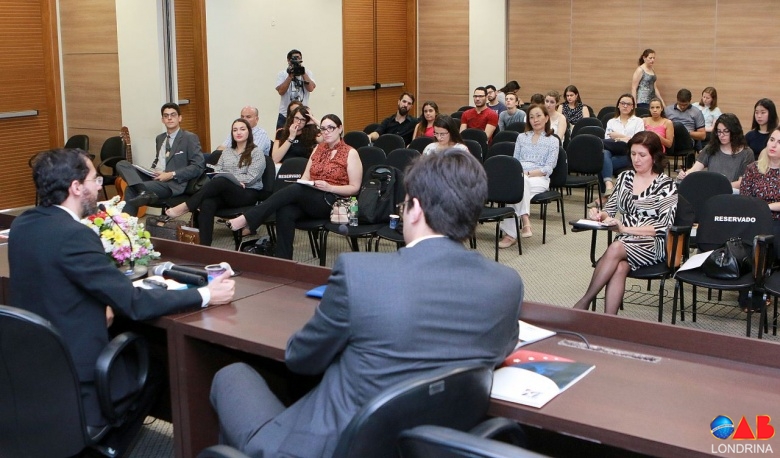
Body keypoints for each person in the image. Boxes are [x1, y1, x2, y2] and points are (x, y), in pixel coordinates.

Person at [209, 149, 524, 458]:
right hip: (415, 444)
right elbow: (502, 348)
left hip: (325, 447)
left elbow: (300, 358)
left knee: (231, 375)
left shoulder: (360, 274)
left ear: (414, 209)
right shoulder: (506, 284)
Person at [9, 148, 235, 455]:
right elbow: (135, 303)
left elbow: (52, 280)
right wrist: (205, 294)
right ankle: (105, 449)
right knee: (155, 369)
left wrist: (97, 301)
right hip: (78, 374)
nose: (99, 186)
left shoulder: (23, 225)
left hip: (32, 367)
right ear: (76, 187)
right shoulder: (74, 235)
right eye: (94, 179)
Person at [226, 114, 362, 259]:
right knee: (285, 210)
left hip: (334, 202)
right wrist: (304, 183)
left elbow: (355, 188)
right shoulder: (318, 149)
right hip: (312, 197)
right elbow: (306, 176)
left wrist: (330, 187)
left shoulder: (350, 153)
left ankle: (249, 218)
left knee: (297, 189)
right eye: (323, 129)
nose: (326, 132)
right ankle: (283, 261)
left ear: (340, 129)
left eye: (331, 128)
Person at [573, 132, 677, 314]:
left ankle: (584, 302)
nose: (636, 159)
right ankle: (609, 321)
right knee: (620, 267)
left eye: (642, 155)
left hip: (653, 244)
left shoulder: (666, 185)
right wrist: (600, 215)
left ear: (654, 157)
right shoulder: (624, 178)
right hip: (625, 241)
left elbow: (664, 227)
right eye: (633, 154)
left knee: (615, 247)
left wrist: (624, 228)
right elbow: (610, 209)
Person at [165, 118, 269, 245]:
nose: (238, 132)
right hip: (226, 192)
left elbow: (252, 177)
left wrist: (233, 179)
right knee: (207, 203)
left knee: (222, 181)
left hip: (248, 192)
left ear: (249, 132)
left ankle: (187, 206)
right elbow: (218, 170)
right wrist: (228, 178)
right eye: (235, 130)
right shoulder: (227, 152)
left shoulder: (256, 152)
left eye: (242, 129)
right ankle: (204, 246)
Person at [116, 102, 206, 216]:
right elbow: (158, 160)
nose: (169, 118)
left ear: (180, 118)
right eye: (166, 116)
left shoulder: (189, 138)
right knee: (121, 164)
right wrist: (151, 170)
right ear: (162, 120)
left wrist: (171, 174)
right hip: (155, 176)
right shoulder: (160, 138)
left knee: (131, 189)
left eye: (173, 115)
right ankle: (142, 189)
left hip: (171, 183)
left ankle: (125, 224)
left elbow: (198, 166)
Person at [498, 104, 559, 247]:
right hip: (521, 177)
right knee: (519, 185)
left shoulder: (553, 140)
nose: (535, 120)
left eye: (538, 116)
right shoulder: (521, 137)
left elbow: (548, 167)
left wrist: (528, 173)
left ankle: (510, 235)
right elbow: (515, 160)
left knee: (515, 189)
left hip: (540, 178)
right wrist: (521, 174)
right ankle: (525, 220)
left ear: (546, 118)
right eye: (531, 117)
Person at [677, 113, 754, 191]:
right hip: (711, 191)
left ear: (734, 132)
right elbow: (695, 169)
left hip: (731, 193)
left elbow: (742, 182)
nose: (721, 135)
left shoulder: (747, 153)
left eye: (726, 131)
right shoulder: (711, 148)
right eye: (719, 132)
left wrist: (720, 186)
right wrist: (685, 174)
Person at [741, 126, 780, 255]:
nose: (773, 145)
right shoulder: (753, 169)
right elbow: (745, 199)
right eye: (772, 139)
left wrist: (767, 207)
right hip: (754, 217)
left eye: (779, 142)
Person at [597, 94, 645, 199]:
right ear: (618, 105)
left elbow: (638, 141)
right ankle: (609, 185)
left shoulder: (638, 121)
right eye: (623, 103)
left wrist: (619, 136)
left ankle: (604, 198)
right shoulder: (611, 121)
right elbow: (608, 142)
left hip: (630, 154)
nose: (625, 106)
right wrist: (626, 138)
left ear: (632, 107)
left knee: (601, 163)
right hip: (613, 152)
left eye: (628, 104)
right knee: (604, 153)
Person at [276, 49, 316, 129]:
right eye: (294, 58)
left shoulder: (307, 73)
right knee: (282, 135)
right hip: (285, 114)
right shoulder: (282, 74)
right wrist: (290, 76)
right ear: (288, 61)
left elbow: (311, 88)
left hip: (303, 114)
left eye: (299, 58)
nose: (297, 61)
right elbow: (281, 91)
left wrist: (303, 73)